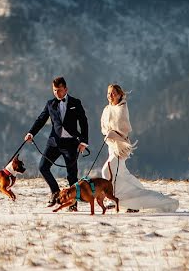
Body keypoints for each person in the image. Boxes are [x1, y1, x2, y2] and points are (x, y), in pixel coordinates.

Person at [99, 83, 179, 213]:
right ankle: (139, 195)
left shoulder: (122, 108)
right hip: (111, 146)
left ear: (119, 94)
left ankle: (114, 198)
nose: (110, 96)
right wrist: (108, 133)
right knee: (124, 174)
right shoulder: (106, 109)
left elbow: (124, 130)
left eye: (113, 93)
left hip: (120, 147)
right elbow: (103, 126)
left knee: (107, 171)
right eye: (108, 93)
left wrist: (113, 133)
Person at [25, 76, 89, 207]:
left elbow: (84, 122)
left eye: (59, 90)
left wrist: (83, 142)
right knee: (43, 167)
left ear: (65, 89)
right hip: (54, 143)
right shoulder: (50, 104)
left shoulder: (75, 103)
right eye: (54, 90)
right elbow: (41, 119)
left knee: (72, 175)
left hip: (71, 143)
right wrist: (31, 133)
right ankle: (55, 192)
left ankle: (73, 203)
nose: (56, 93)